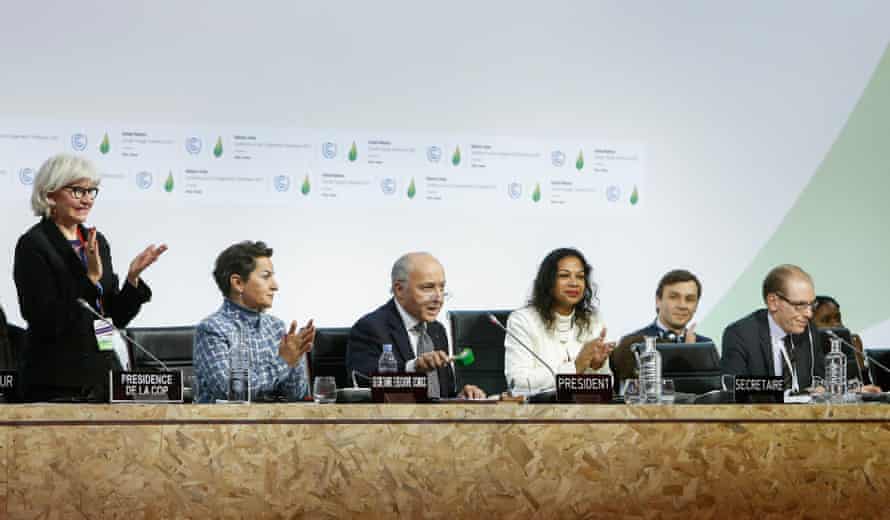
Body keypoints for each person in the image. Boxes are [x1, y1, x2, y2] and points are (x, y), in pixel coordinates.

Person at [13, 154, 166, 401]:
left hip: (103, 376)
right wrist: (90, 279)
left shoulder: (96, 241)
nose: (86, 199)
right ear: (50, 194)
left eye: (91, 191)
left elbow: (113, 316)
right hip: (57, 382)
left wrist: (132, 279)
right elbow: (43, 318)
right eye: (77, 191)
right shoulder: (34, 244)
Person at [346, 252, 485, 399]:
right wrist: (413, 368)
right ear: (399, 289)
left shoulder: (437, 330)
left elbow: (441, 396)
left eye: (442, 288)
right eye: (428, 288)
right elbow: (363, 384)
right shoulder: (370, 328)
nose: (438, 298)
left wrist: (460, 397)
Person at [193, 241, 315, 403]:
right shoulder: (212, 329)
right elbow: (231, 392)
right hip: (227, 426)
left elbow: (296, 396)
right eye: (266, 277)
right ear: (238, 283)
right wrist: (284, 362)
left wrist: (296, 358)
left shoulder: (276, 327)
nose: (275, 286)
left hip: (275, 425)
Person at [504, 248, 614, 393]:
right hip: (538, 414)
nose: (574, 283)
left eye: (580, 277)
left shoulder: (593, 322)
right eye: (564, 275)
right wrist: (574, 367)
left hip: (585, 413)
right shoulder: (523, 321)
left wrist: (596, 367)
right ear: (548, 281)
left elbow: (608, 385)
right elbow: (517, 382)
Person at [721, 264, 823, 393]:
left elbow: (821, 377)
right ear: (773, 302)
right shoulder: (740, 334)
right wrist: (786, 391)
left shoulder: (809, 331)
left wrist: (823, 388)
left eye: (812, 304)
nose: (809, 313)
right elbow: (733, 386)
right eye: (800, 305)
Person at [611, 269, 713, 384]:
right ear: (658, 300)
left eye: (689, 299)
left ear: (696, 305)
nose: (682, 305)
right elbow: (629, 393)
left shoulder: (705, 346)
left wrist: (693, 353)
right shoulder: (632, 344)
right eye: (674, 297)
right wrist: (686, 357)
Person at [812, 295, 879, 391]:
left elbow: (868, 391)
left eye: (838, 318)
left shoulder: (845, 350)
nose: (836, 324)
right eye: (826, 320)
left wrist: (860, 362)